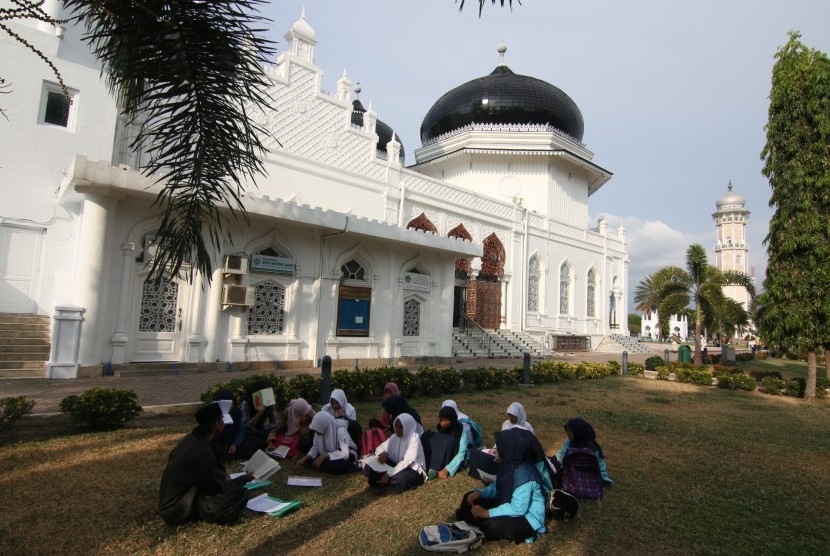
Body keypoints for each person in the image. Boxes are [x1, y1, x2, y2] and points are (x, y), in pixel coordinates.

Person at [158, 403, 250, 526]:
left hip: (171, 503)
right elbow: (214, 489)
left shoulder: (190, 439)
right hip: (177, 510)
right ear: (215, 425)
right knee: (240, 493)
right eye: (222, 418)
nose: (224, 421)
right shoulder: (202, 451)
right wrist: (243, 479)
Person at [456, 428, 547, 544]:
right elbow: (497, 487)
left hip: (526, 518)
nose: (494, 451)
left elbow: (518, 509)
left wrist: (486, 513)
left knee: (493, 524)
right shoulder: (507, 465)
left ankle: (498, 530)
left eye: (498, 449)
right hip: (505, 503)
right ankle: (487, 526)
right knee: (468, 497)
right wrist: (480, 493)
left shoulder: (525, 474)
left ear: (507, 450)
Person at [363, 413, 427, 493]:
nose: (397, 429)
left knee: (401, 478)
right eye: (396, 426)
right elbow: (380, 448)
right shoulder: (394, 437)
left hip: (411, 469)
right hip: (395, 465)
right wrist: (382, 453)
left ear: (407, 426)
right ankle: (386, 483)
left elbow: (406, 462)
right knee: (371, 465)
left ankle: (385, 484)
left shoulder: (414, 438)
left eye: (401, 427)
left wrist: (388, 474)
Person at [555, 417, 613, 485]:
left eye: (570, 434)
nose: (568, 436)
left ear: (578, 433)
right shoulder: (569, 441)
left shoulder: (591, 448)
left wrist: (603, 478)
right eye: (567, 433)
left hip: (586, 474)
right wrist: (557, 463)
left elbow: (600, 463)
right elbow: (562, 453)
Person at [235, 379, 279, 459]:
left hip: (261, 429)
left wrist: (267, 430)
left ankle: (267, 443)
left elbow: (275, 422)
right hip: (248, 432)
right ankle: (264, 444)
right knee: (251, 437)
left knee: (277, 434)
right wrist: (258, 414)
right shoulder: (246, 403)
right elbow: (245, 427)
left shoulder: (269, 402)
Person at [422, 405, 468, 480]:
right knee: (427, 435)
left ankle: (435, 469)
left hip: (453, 456)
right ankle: (430, 466)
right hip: (442, 456)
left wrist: (447, 469)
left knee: (450, 441)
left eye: (445, 421)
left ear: (452, 420)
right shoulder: (440, 427)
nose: (442, 423)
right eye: (440, 420)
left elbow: (461, 453)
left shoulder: (460, 430)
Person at [210, 389, 245, 463]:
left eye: (232, 404)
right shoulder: (216, 414)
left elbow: (240, 430)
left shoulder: (237, 412)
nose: (230, 406)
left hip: (233, 441)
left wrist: (235, 444)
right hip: (219, 442)